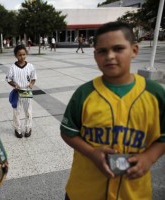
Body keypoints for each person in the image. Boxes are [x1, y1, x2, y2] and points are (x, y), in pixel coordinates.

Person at [60, 21, 165, 200]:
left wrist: (149, 157)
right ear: (95, 56)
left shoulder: (155, 94)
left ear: (134, 50)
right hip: (85, 191)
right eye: (102, 51)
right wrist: (91, 152)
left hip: (133, 192)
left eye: (118, 48)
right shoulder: (84, 94)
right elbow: (68, 132)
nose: (110, 56)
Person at [6, 45, 37, 138]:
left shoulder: (30, 66)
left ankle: (28, 128)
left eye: (24, 54)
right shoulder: (12, 67)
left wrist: (31, 84)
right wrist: (14, 85)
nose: (22, 57)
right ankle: (17, 129)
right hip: (17, 92)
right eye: (19, 55)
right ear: (16, 55)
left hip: (26, 91)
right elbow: (8, 79)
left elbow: (33, 78)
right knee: (17, 112)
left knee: (28, 111)